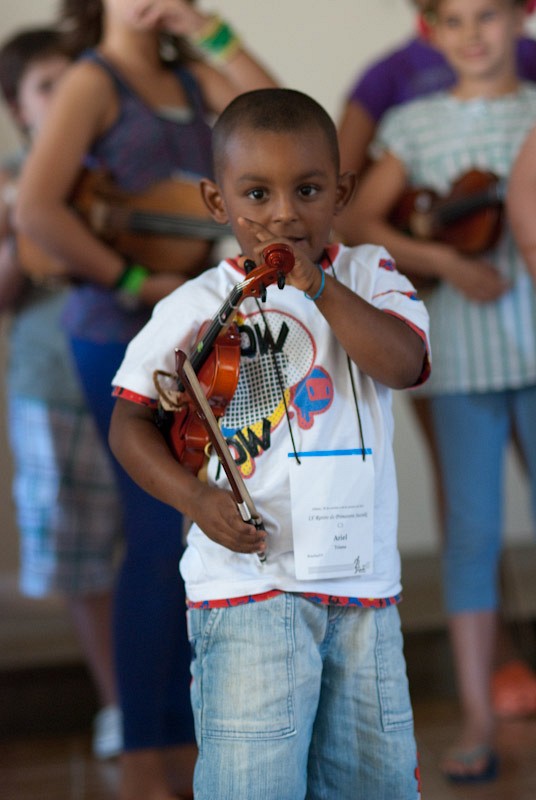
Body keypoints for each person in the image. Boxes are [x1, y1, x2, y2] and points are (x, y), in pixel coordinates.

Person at [108, 86, 430, 800]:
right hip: (248, 588)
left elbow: (403, 364)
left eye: (308, 189)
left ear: (341, 192)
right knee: (253, 784)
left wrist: (320, 287)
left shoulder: (370, 274)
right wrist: (195, 495)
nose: (283, 213)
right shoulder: (191, 308)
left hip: (363, 589)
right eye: (256, 193)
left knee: (371, 784)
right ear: (217, 202)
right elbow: (130, 425)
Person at [15, 3, 276, 799]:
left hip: (194, 336)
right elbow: (37, 211)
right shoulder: (91, 83)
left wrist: (209, 32)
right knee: (159, 527)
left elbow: (282, 122)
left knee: (195, 535)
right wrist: (134, 280)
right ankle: (143, 755)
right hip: (115, 335)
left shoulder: (193, 75)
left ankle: (191, 741)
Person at [339, 0, 536, 783]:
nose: (474, 35)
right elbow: (355, 217)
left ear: (521, 17)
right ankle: (479, 712)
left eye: (488, 15)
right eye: (453, 21)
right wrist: (446, 261)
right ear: (429, 31)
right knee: (472, 535)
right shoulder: (415, 125)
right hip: (462, 364)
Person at [0, 26, 122, 761]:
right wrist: (24, 220)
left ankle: (175, 695)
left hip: (131, 381)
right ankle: (118, 703)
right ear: (19, 109)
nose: (67, 95)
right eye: (47, 87)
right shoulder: (16, 183)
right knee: (81, 557)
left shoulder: (117, 165)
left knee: (159, 547)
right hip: (51, 389)